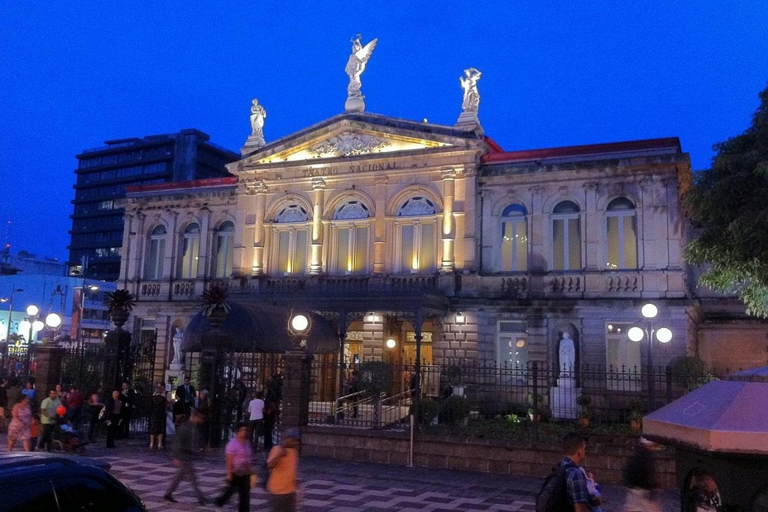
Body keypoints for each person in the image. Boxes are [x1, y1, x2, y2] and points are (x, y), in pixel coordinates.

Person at [163, 409, 206, 506]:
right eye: (199, 417)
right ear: (195, 417)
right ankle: (201, 498)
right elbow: (178, 442)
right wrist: (176, 457)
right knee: (193, 478)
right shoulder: (186, 427)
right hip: (183, 456)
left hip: (186, 455)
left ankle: (168, 494)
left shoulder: (192, 427)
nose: (201, 420)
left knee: (178, 477)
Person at [214, 422, 253, 512]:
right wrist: (229, 473)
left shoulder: (247, 443)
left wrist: (250, 468)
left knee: (245, 495)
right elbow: (229, 460)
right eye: (241, 430)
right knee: (230, 491)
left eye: (245, 430)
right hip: (236, 472)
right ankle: (219, 502)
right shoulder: (232, 444)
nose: (244, 432)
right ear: (237, 432)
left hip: (246, 472)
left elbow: (249, 457)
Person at [622, 438, 662, 512]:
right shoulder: (646, 456)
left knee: (633, 508)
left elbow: (627, 470)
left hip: (635, 488)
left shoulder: (636, 454)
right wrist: (654, 487)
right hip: (643, 491)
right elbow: (648, 474)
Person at [267, 427, 301, 512]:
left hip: (290, 490)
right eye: (293, 440)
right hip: (278, 491)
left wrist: (296, 483)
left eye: (296, 440)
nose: (295, 442)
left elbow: (292, 469)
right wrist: (278, 455)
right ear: (286, 438)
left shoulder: (293, 451)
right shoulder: (277, 449)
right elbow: (270, 465)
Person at [558, 432, 592, 512]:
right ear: (579, 452)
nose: (584, 452)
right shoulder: (575, 473)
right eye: (584, 449)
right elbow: (580, 509)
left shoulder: (560, 466)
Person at [149, 385, 168, 450]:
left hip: (153, 415)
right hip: (161, 415)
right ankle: (159, 444)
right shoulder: (163, 399)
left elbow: (149, 407)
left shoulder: (152, 398)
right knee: (160, 430)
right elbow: (166, 407)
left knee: (152, 429)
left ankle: (151, 443)